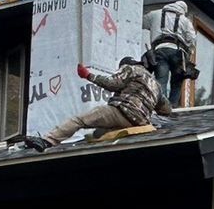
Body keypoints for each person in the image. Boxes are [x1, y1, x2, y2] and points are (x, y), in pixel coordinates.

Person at [23, 57, 159, 150]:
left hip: (122, 112)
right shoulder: (156, 85)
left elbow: (113, 84)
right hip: (140, 122)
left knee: (79, 120)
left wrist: (88, 75)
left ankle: (47, 141)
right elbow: (166, 109)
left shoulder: (130, 69)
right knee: (99, 133)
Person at [144, 0, 198, 111]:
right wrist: (189, 52)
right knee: (177, 82)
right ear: (183, 10)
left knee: (161, 79)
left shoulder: (155, 14)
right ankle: (172, 108)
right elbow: (192, 39)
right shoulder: (185, 20)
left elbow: (141, 22)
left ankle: (160, 106)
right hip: (178, 52)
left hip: (160, 50)